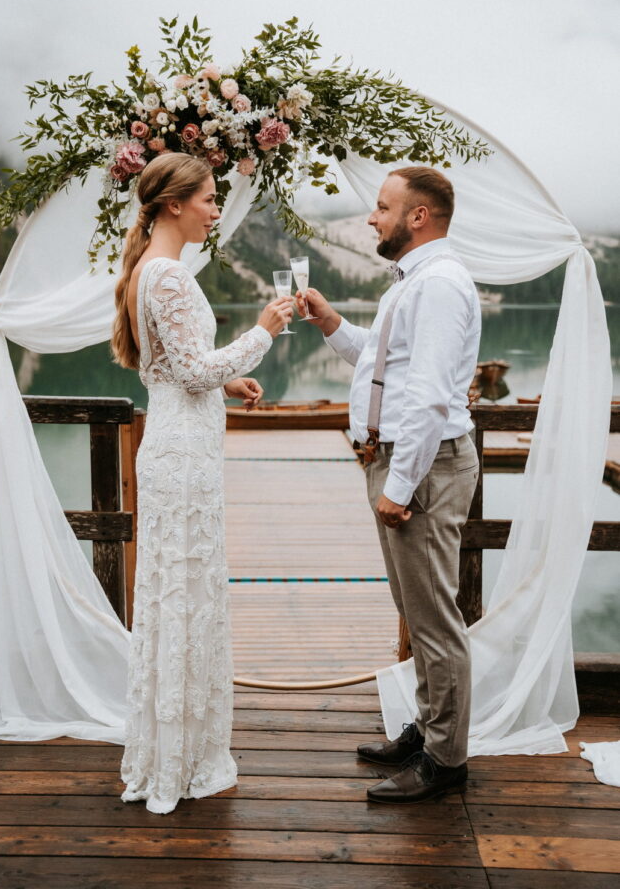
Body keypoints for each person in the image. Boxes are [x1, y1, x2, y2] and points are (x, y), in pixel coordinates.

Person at [111, 152, 293, 814]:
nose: (217, 211)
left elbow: (173, 368)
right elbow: (190, 372)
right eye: (210, 199)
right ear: (173, 203)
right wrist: (262, 334)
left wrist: (229, 377)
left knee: (177, 594)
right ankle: (181, 760)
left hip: (176, 442)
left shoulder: (149, 269)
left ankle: (174, 749)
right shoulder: (167, 274)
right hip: (182, 454)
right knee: (184, 594)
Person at [297, 166, 481, 803]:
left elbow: (428, 399)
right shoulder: (414, 281)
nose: (372, 217)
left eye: (382, 207)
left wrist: (400, 486)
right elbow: (383, 367)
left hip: (423, 466)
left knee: (434, 619)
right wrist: (330, 323)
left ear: (418, 217)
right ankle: (429, 729)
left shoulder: (440, 285)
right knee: (416, 608)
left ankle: (445, 760)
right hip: (405, 460)